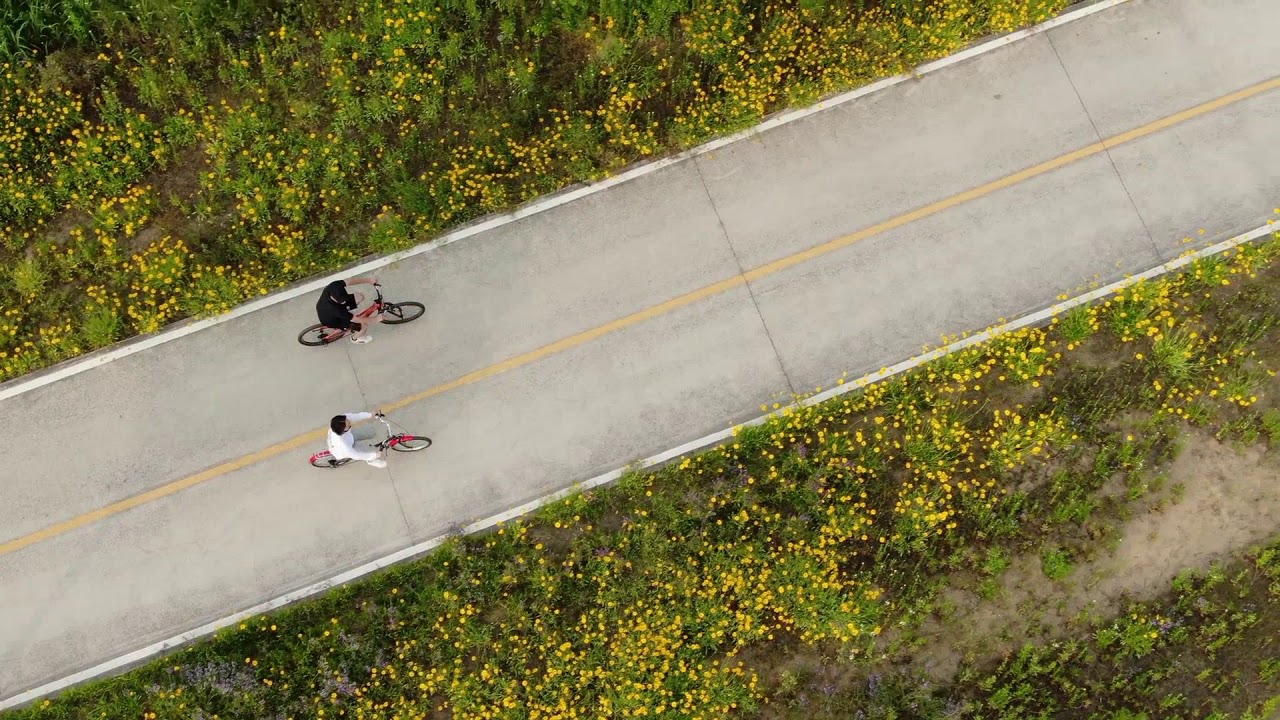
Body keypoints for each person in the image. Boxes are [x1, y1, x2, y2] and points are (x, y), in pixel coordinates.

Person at [316, 276, 382, 344]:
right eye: (342, 302)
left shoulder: (333, 286)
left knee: (359, 296)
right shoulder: (337, 311)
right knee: (363, 325)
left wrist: (369, 280)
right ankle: (355, 339)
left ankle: (349, 314)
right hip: (331, 320)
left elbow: (349, 281)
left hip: (324, 306)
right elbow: (357, 319)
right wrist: (375, 319)